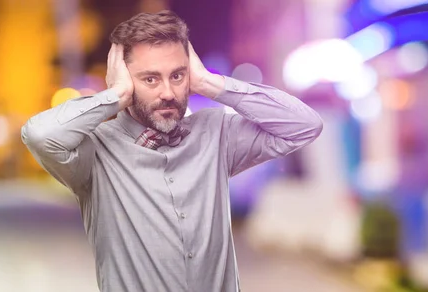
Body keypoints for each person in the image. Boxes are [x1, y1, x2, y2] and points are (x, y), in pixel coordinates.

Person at [22, 10, 323, 292]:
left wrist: (210, 83)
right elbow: (39, 135)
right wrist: (115, 96)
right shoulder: (95, 152)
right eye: (150, 79)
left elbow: (304, 125)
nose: (168, 93)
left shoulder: (217, 133)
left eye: (177, 76)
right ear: (125, 78)